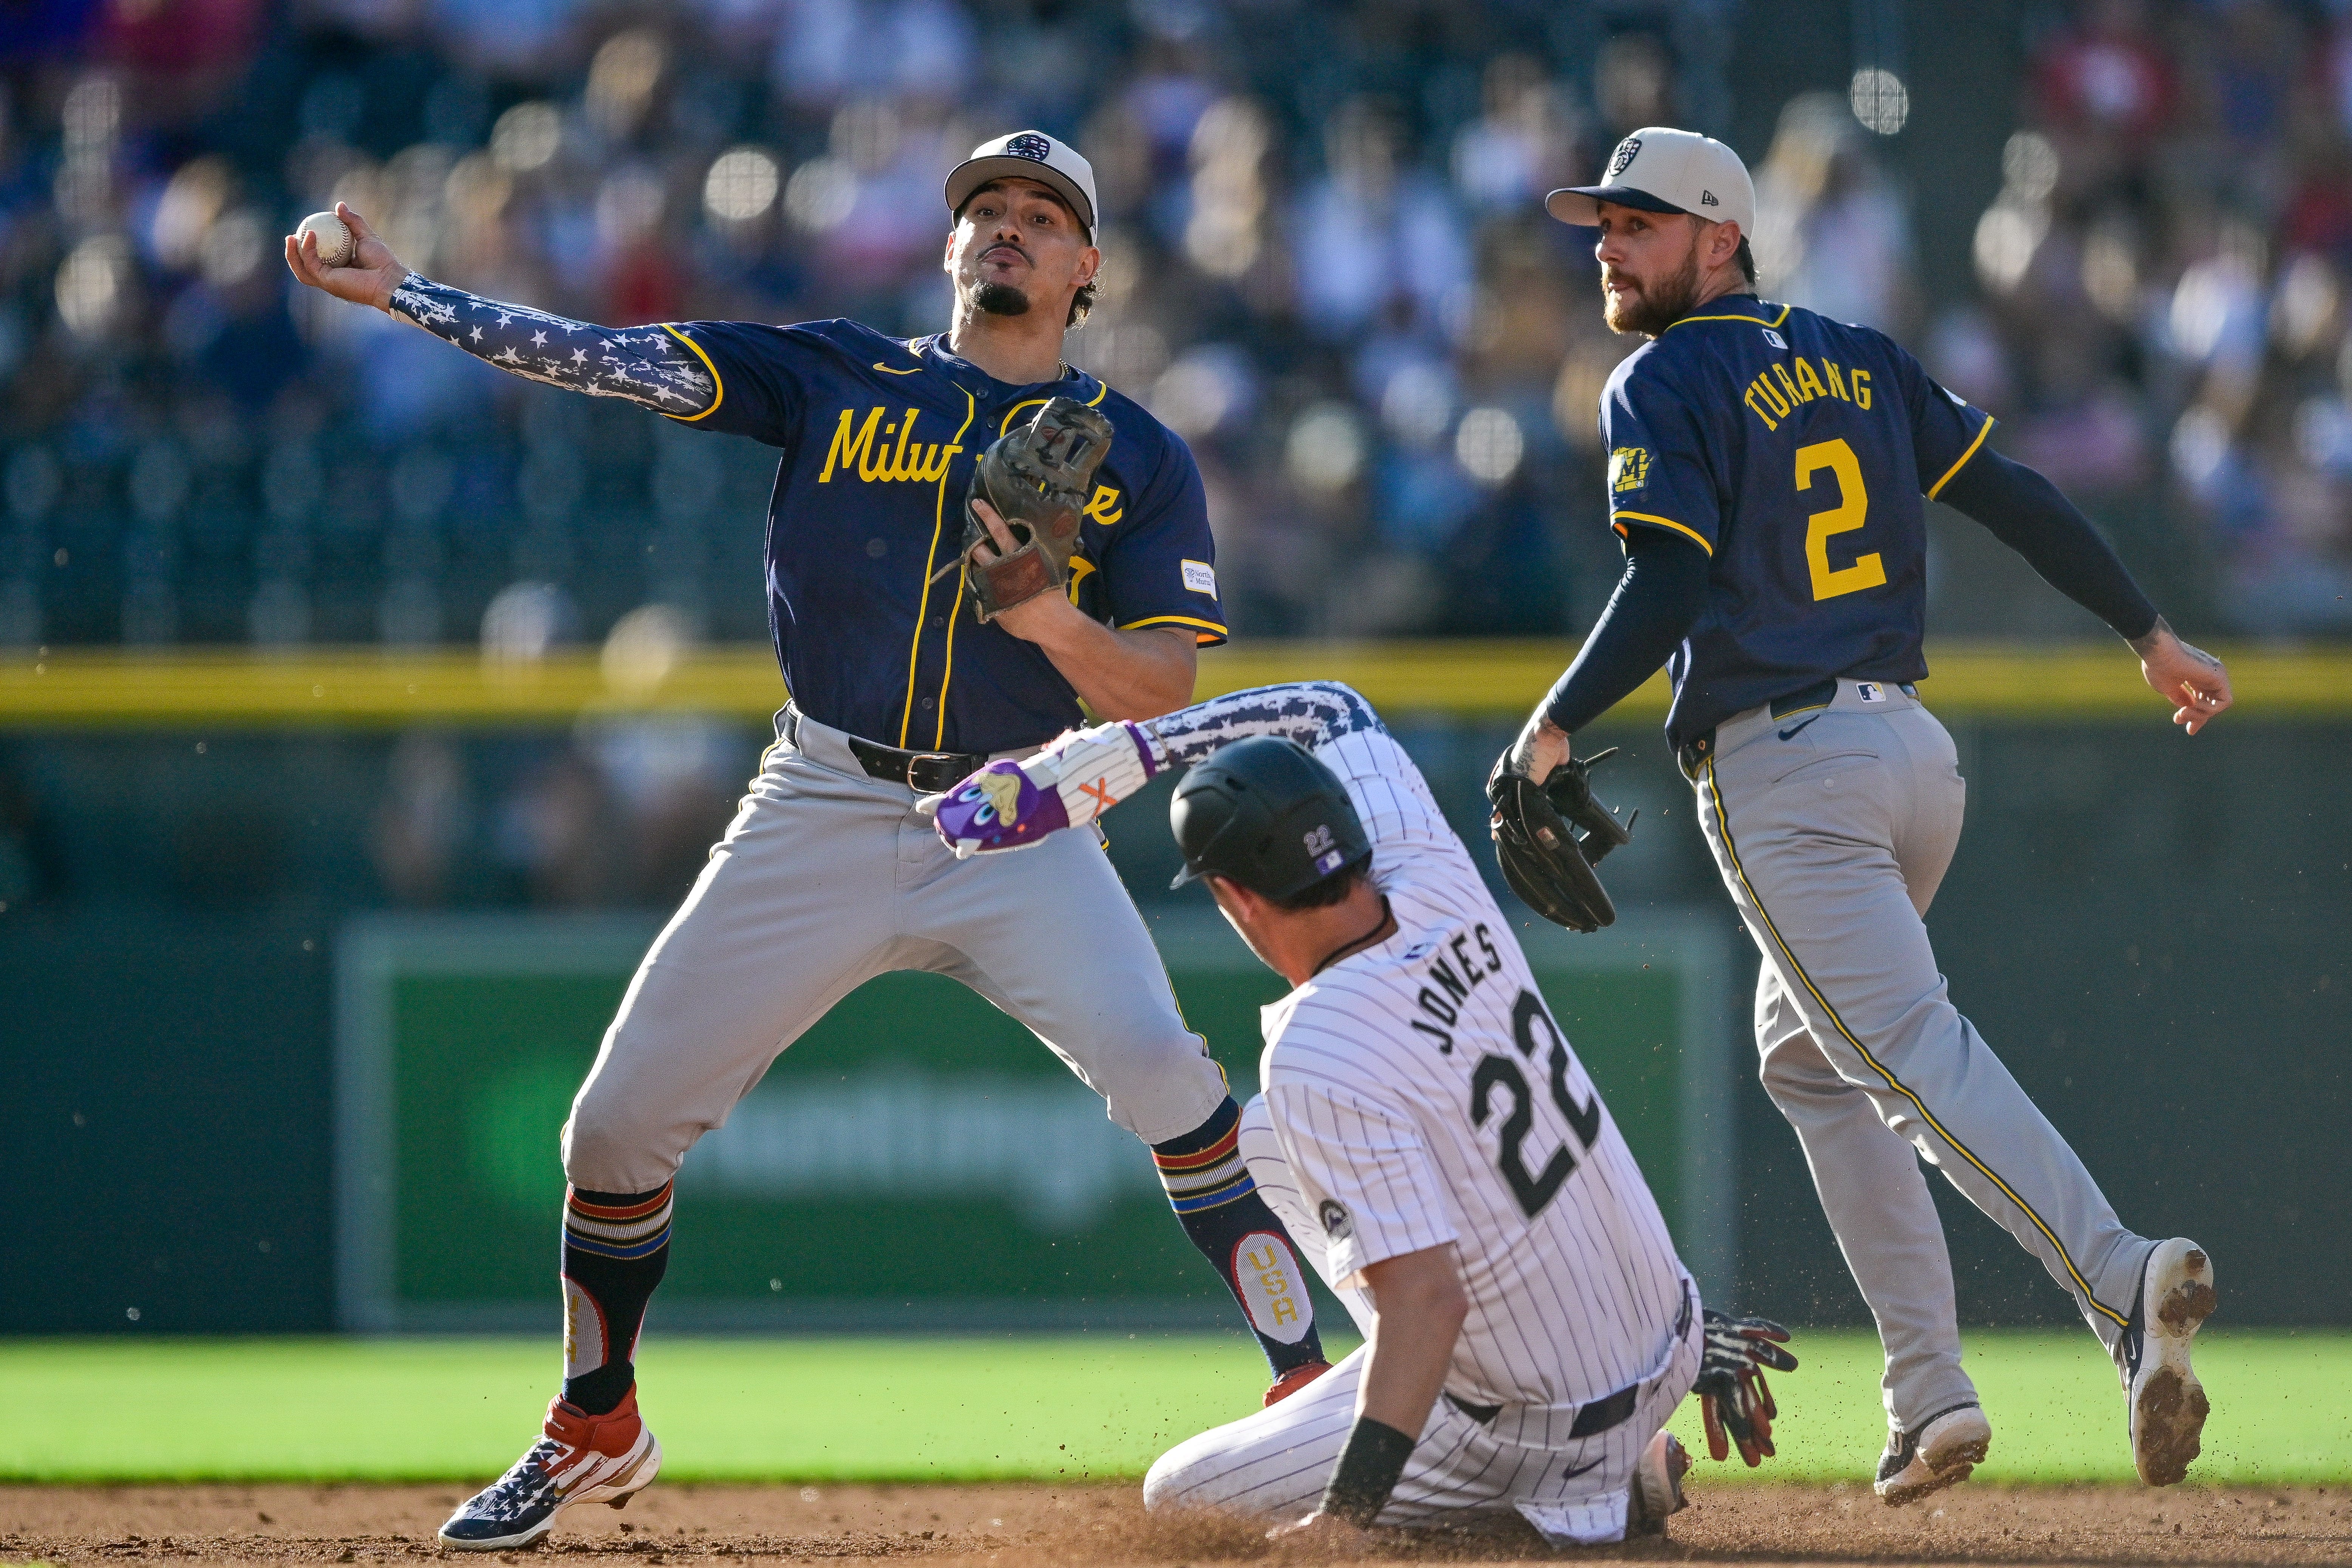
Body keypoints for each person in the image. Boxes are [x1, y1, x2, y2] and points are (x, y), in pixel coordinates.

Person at [285, 130, 1331, 1551]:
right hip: (823, 798)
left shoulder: (1137, 454)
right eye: (986, 213)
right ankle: (597, 1424)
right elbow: (607, 357)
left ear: (1087, 267)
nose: (1008, 231)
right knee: (612, 1126)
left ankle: (1315, 1399)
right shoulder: (839, 371)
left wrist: (1039, 611)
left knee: (1169, 1079)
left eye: (1041, 217)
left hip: (1013, 811)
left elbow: (1159, 686)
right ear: (949, 246)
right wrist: (413, 296)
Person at [1500, 127, 2227, 1503]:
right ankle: (1929, 1393)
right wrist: (2147, 632)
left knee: (1903, 1055)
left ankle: (2118, 1282)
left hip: (1787, 772)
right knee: (1811, 1059)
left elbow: (1664, 578)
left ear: (1721, 237)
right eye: (1599, 221)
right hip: (1909, 759)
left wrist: (1550, 723)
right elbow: (2011, 496)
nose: (1606, 242)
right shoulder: (1860, 354)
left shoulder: (1658, 375)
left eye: (1639, 222)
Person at [926, 680, 1801, 1546]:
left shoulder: (1319, 1046)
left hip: (1533, 1432)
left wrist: (1340, 1524)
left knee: (1180, 1495)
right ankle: (1600, 1437)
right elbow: (1328, 704)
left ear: (1235, 897)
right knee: (1263, 1136)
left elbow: (1427, 1301)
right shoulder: (1433, 870)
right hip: (1671, 1331)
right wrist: (1118, 758)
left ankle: (1551, 1500)